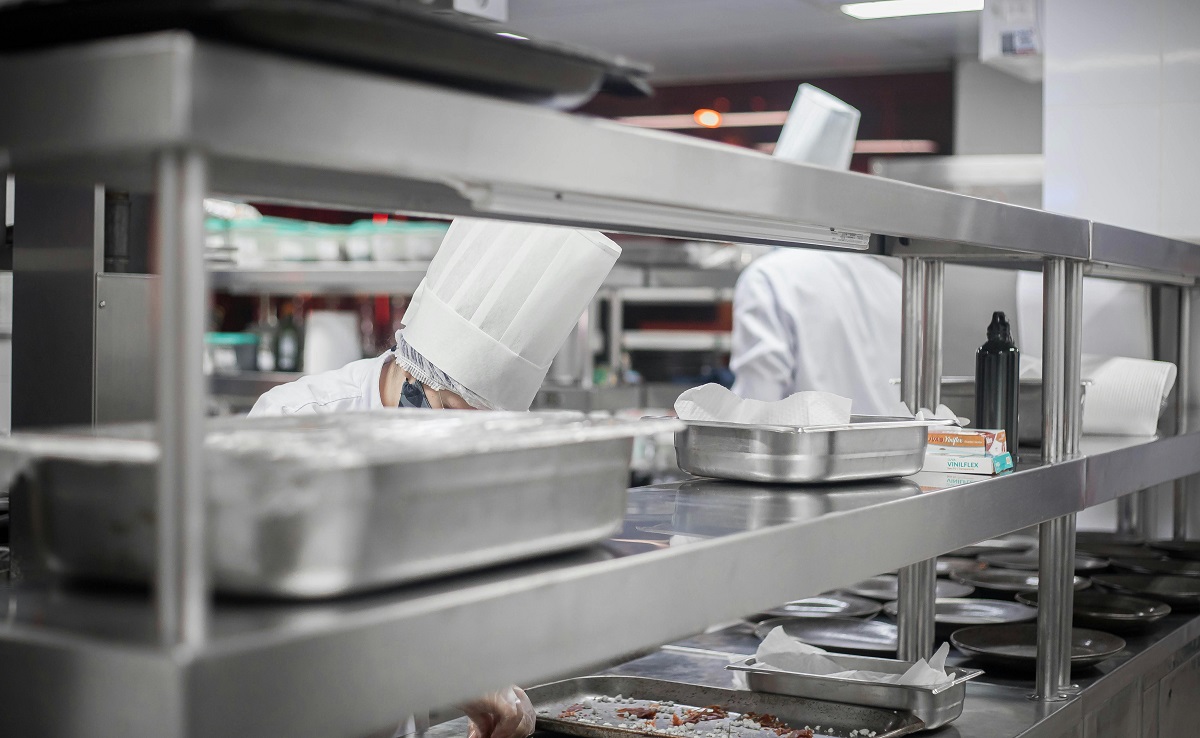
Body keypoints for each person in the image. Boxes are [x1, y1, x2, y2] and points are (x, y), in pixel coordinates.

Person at [251, 217, 622, 738]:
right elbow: (268, 620)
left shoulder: (485, 457)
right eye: (451, 412)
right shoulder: (291, 423)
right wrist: (435, 667)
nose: (467, 446)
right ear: (413, 375)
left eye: (487, 431)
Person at [729, 249, 902, 415]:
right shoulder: (893, 283)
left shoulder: (768, 278)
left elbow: (757, 407)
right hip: (893, 436)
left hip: (811, 437)